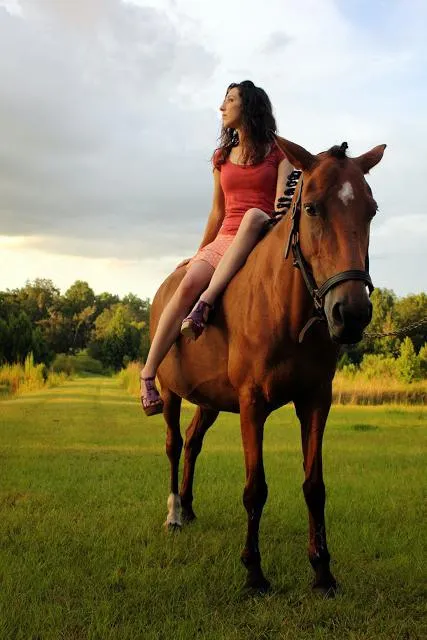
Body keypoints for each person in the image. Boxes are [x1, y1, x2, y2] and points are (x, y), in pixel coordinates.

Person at [141, 80, 294, 416]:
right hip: (225, 238)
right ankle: (148, 375)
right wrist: (199, 252)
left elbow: (282, 210)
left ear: (249, 106)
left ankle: (205, 306)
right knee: (186, 284)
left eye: (230, 100)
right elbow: (217, 212)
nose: (222, 107)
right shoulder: (221, 158)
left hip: (260, 238)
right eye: (224, 100)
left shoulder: (279, 154)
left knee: (254, 215)